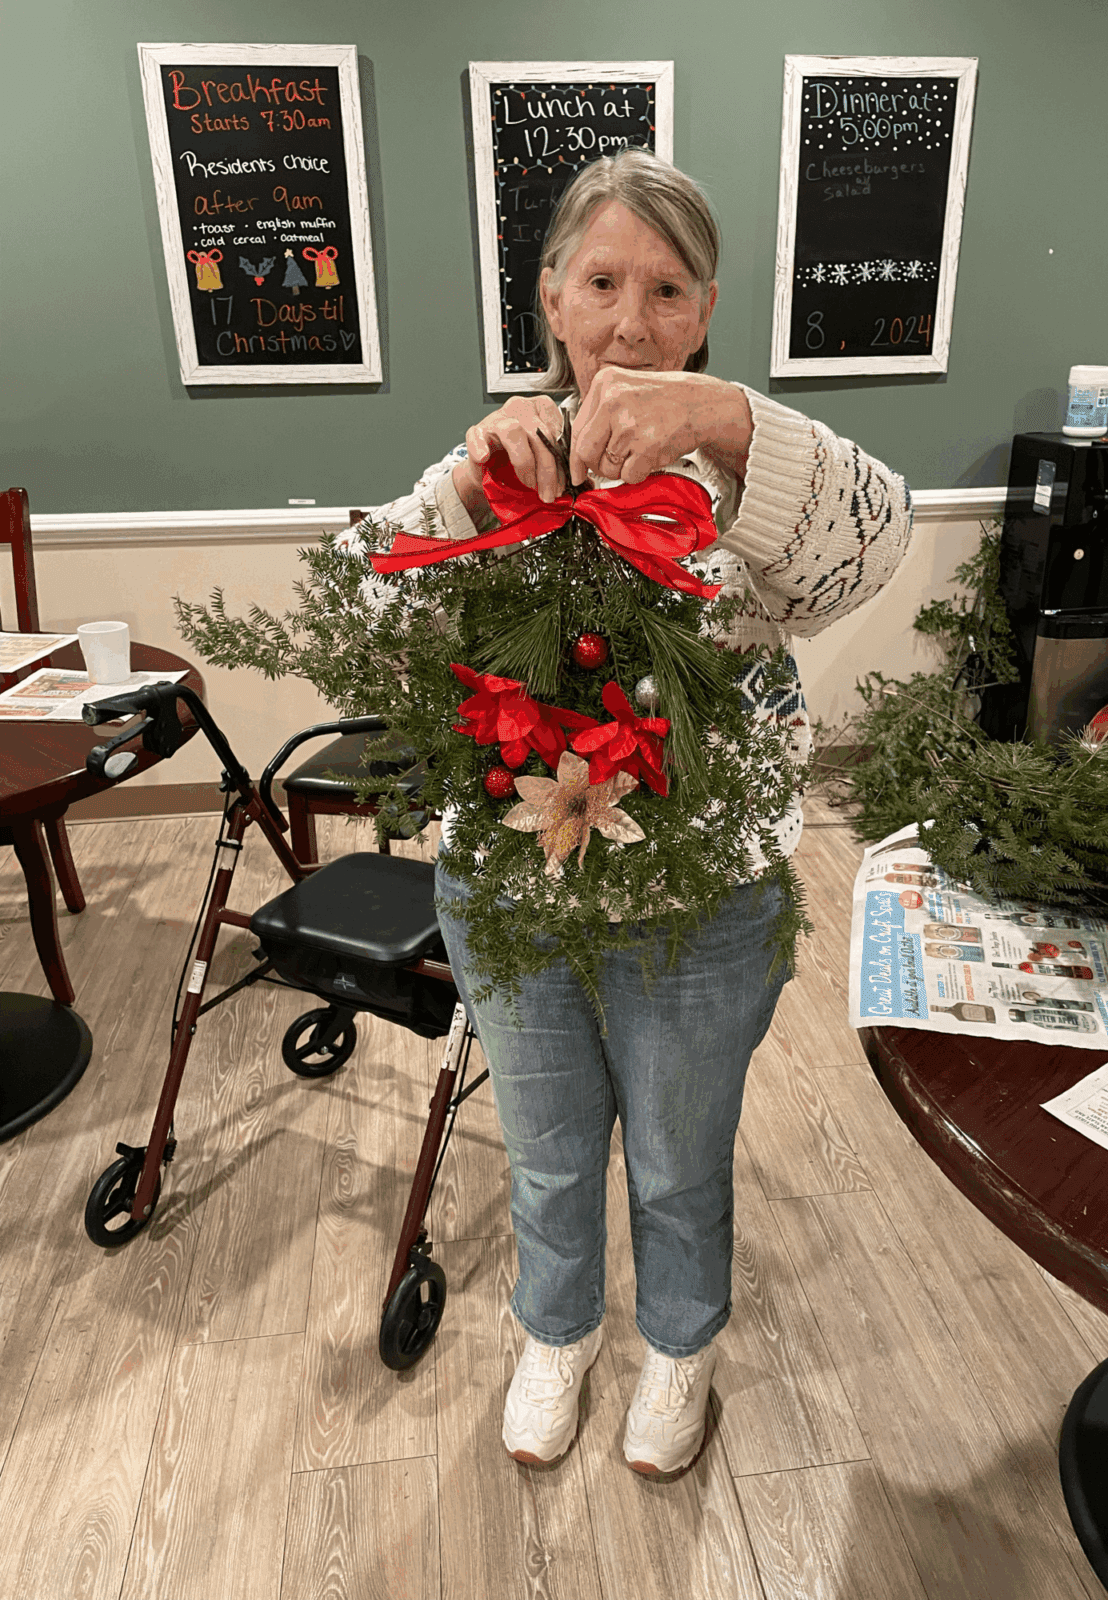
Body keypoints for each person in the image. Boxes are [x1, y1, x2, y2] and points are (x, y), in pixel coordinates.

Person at [351, 149, 912, 1478]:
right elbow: (375, 629)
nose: (630, 321)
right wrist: (475, 490)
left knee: (675, 1159)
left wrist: (729, 418)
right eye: (602, 281)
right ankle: (555, 1332)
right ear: (551, 297)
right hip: (516, 898)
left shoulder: (741, 485)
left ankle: (680, 1347)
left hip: (703, 908)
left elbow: (878, 539)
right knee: (545, 1156)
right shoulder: (501, 460)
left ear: (706, 310)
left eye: (667, 290)